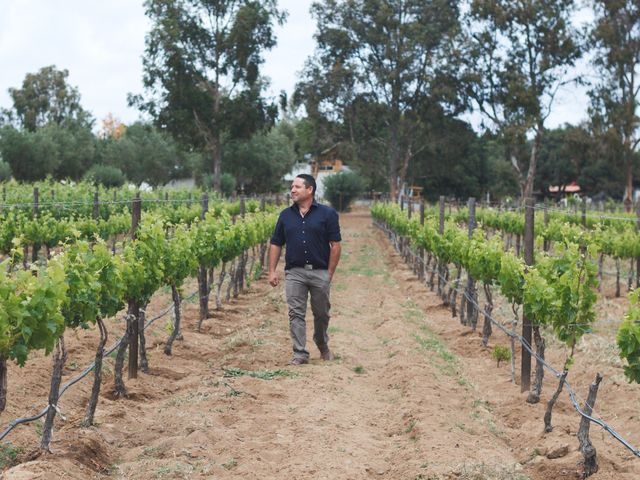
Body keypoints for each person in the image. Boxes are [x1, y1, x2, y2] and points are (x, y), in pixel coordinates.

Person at [268, 174, 342, 365]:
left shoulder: (328, 214)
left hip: (319, 271)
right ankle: (300, 353)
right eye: (292, 187)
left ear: (310, 190)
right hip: (295, 272)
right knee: (295, 313)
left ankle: (322, 343)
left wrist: (329, 273)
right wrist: (272, 270)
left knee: (321, 313)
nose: (292, 190)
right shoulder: (285, 215)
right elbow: (276, 243)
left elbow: (336, 245)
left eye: (297, 187)